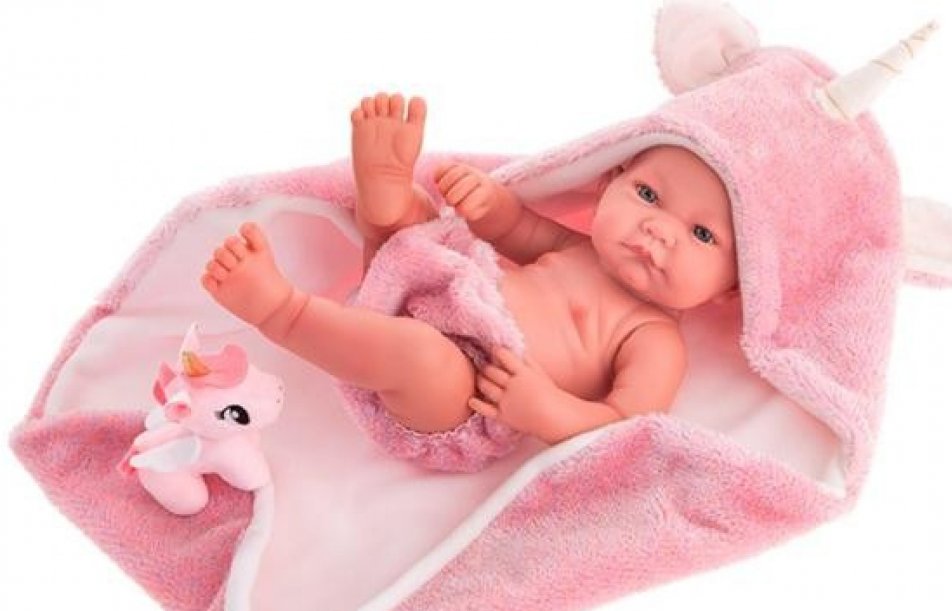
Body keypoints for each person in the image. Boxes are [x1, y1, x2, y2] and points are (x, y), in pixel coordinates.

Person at [200, 92, 739, 462]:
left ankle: (283, 312)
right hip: (451, 295)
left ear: (731, 288)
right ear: (609, 182)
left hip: (466, 395)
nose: (659, 229)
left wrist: (545, 410)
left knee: (419, 353)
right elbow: (517, 228)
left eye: (702, 234)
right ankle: (387, 196)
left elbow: (627, 429)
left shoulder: (652, 336)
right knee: (425, 226)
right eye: (648, 194)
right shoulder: (579, 249)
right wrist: (490, 204)